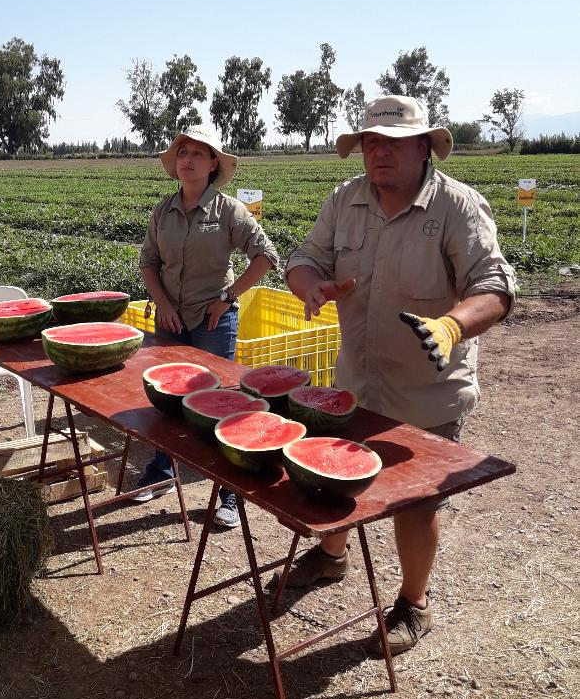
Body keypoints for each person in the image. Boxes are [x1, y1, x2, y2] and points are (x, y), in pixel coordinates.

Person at [284, 95, 516, 654]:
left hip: (426, 394)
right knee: (335, 477)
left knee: (416, 503)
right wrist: (311, 285)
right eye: (371, 141)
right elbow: (304, 258)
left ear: (423, 148)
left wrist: (453, 326)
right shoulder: (344, 200)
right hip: (356, 382)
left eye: (393, 142)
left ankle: (415, 603)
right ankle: (332, 555)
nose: (379, 151)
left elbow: (495, 286)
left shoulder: (457, 206)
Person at [133, 125, 280, 528]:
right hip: (170, 319)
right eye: (183, 153)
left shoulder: (229, 211)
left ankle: (229, 493)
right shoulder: (162, 211)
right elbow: (149, 263)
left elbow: (266, 256)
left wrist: (228, 297)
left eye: (198, 153)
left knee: (220, 404)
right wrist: (163, 304)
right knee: (168, 400)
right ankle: (163, 471)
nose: (188, 160)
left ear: (213, 163)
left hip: (213, 320)